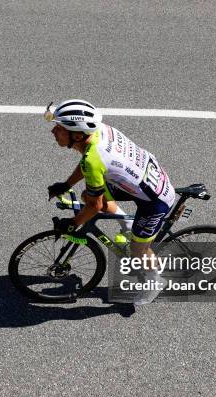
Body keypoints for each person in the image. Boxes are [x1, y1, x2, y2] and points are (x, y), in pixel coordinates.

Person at [46, 99, 175, 305]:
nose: (53, 131)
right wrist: (66, 184)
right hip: (145, 177)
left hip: (155, 200)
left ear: (77, 135)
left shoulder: (93, 158)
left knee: (137, 251)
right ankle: (128, 224)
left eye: (60, 128)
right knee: (89, 195)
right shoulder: (98, 132)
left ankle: (155, 281)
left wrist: (73, 224)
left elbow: (94, 201)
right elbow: (88, 165)